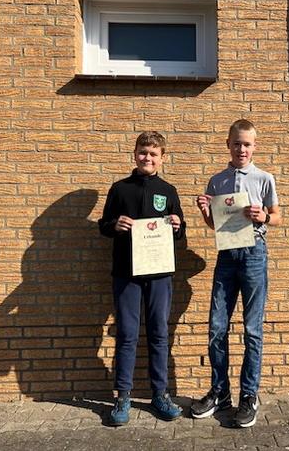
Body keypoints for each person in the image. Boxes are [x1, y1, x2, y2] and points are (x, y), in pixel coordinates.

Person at [191, 119, 281, 427]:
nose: (242, 149)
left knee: (252, 330)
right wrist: (205, 211)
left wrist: (264, 216)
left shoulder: (264, 178)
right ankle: (220, 393)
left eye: (247, 144)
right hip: (227, 256)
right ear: (228, 145)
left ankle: (249, 395)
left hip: (254, 253)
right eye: (237, 143)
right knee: (217, 327)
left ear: (254, 146)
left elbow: (278, 217)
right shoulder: (217, 181)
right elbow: (214, 225)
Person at [98, 131, 185, 425]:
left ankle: (160, 395)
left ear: (162, 158)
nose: (147, 158)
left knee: (159, 333)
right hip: (127, 274)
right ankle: (122, 397)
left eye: (153, 154)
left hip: (159, 273)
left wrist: (177, 225)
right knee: (127, 334)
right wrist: (114, 224)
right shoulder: (120, 189)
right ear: (134, 154)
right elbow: (103, 225)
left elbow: (180, 233)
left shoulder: (168, 190)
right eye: (143, 152)